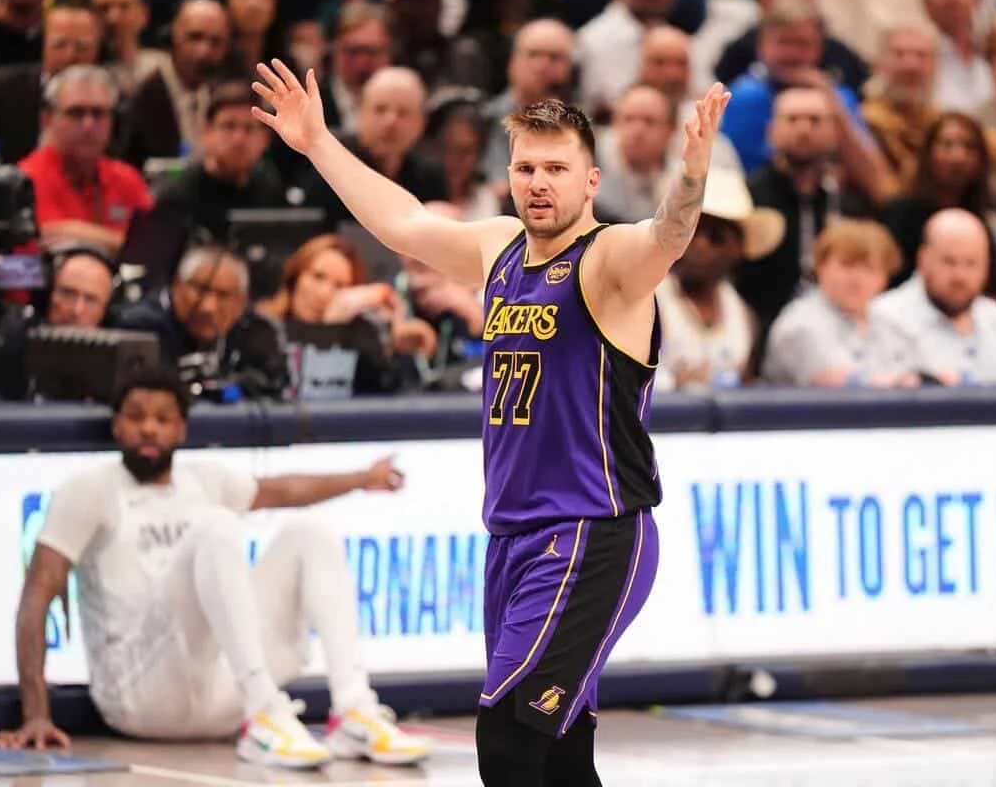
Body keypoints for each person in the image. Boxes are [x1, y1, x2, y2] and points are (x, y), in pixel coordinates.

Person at [252, 56, 729, 786]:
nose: (539, 182)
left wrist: (690, 176)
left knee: (507, 739)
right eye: (526, 168)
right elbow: (404, 222)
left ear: (590, 181)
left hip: (590, 531)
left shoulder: (608, 261)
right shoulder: (500, 247)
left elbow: (666, 235)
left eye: (557, 169)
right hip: (512, 538)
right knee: (559, 759)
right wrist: (318, 142)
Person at [0, 365, 430, 768]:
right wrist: (36, 713)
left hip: (219, 695)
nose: (148, 428)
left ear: (181, 428)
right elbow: (37, 595)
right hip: (141, 699)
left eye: (162, 419)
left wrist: (361, 479)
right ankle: (263, 712)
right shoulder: (88, 491)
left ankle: (352, 709)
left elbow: (285, 490)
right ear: (117, 425)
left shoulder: (204, 480)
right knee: (216, 526)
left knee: (309, 533)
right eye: (136, 417)